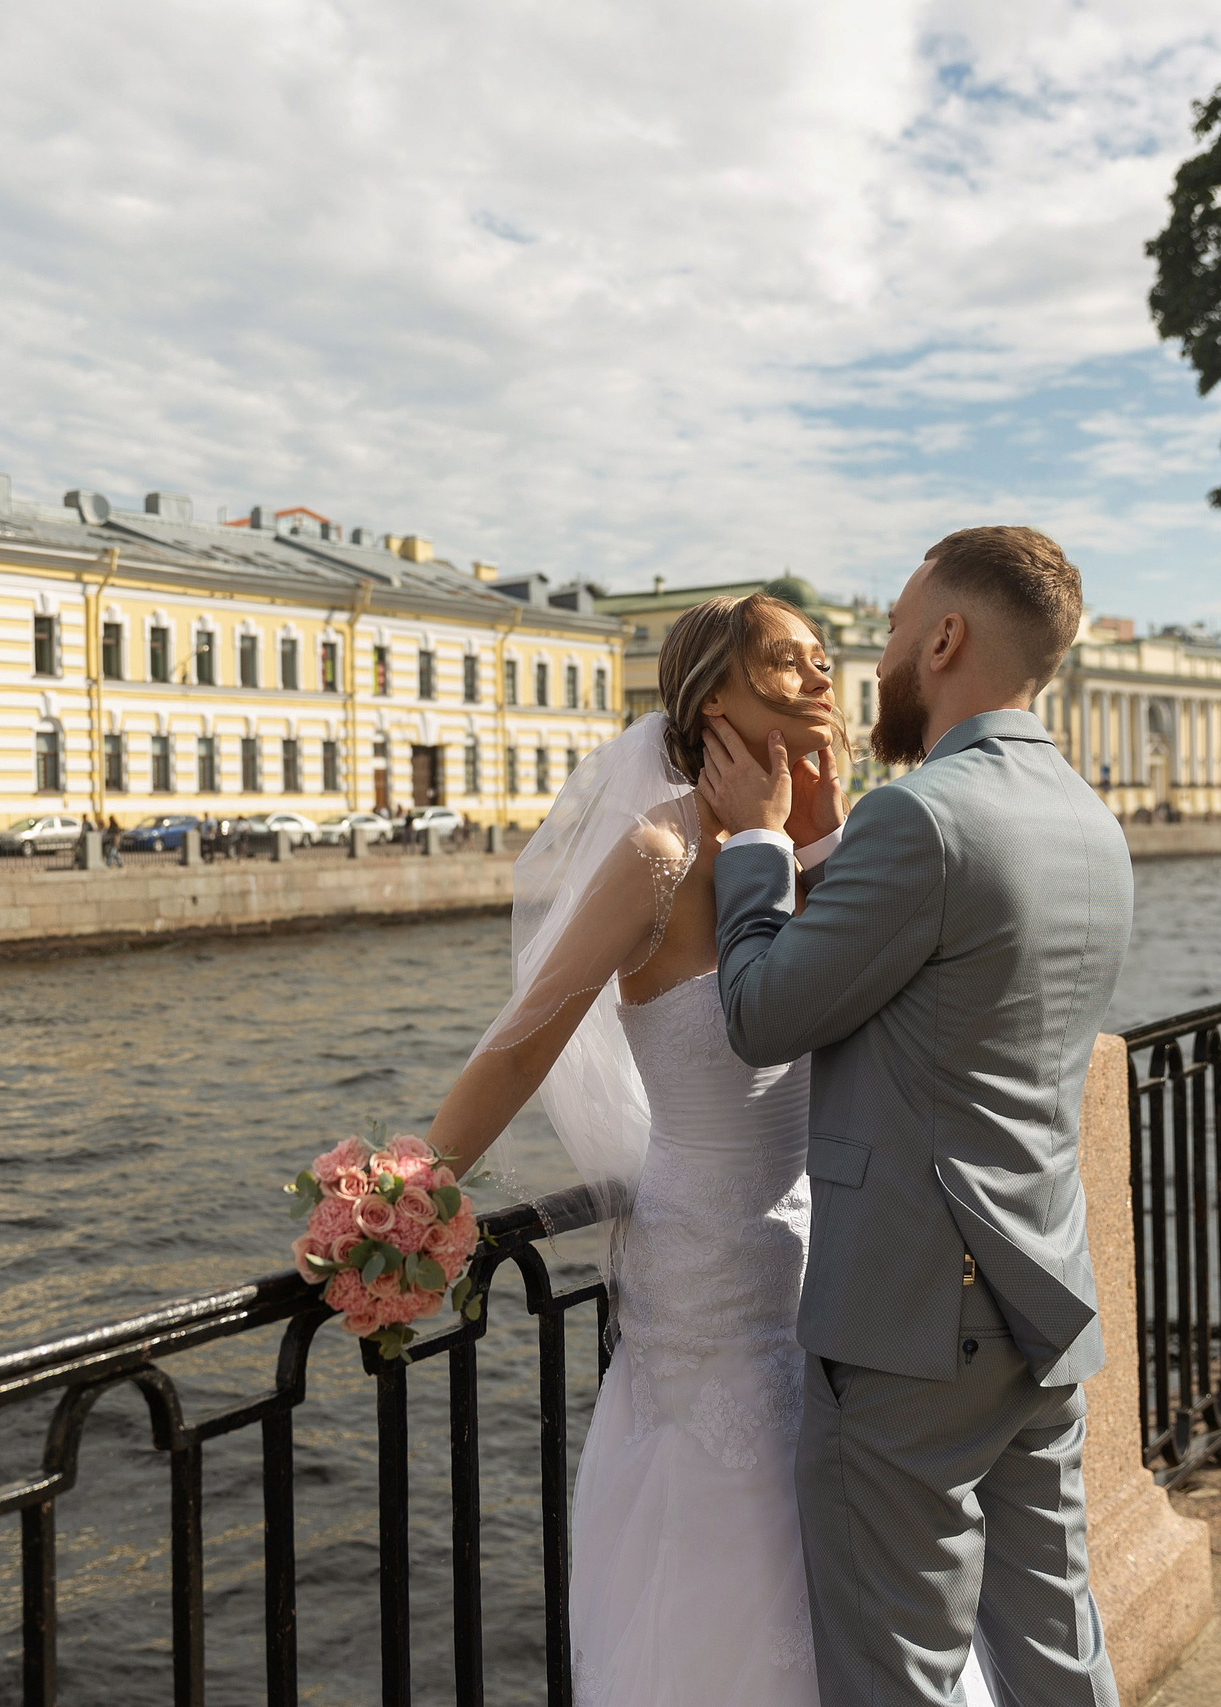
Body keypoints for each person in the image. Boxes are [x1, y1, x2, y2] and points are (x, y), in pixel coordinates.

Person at [701, 526, 1131, 1707]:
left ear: (943, 638)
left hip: (908, 1322)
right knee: (1054, 1643)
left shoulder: (926, 815)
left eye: (893, 628)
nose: (877, 656)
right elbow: (935, 979)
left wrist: (750, 846)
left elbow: (761, 1014)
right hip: (1040, 1298)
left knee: (899, 1670)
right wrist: (828, 841)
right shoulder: (1091, 824)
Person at [424, 590, 848, 1706]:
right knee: (720, 1558)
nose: (823, 678)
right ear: (713, 695)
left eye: (825, 659)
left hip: (814, 1263)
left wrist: (821, 832)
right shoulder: (658, 850)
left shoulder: (815, 848)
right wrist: (410, 1196)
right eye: (790, 662)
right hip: (703, 1280)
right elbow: (525, 1044)